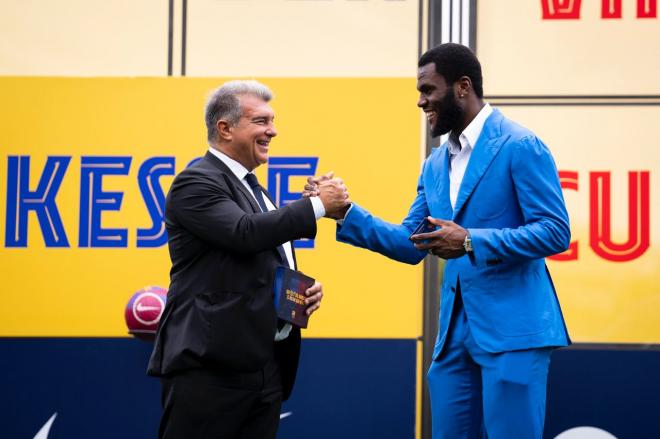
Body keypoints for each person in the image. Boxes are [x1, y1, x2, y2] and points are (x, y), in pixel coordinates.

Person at [305, 43, 570, 438]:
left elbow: (554, 230)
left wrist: (470, 241)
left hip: (515, 333)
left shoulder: (520, 145)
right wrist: (345, 212)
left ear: (462, 87)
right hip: (453, 341)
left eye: (428, 90)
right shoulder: (434, 165)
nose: (420, 101)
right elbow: (411, 243)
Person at [147, 80, 350, 439]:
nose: (273, 130)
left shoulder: (252, 188)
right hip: (211, 369)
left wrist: (299, 294)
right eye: (261, 121)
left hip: (263, 369)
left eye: (272, 120)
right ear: (224, 128)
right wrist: (318, 205)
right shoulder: (196, 181)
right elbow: (245, 233)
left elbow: (256, 261)